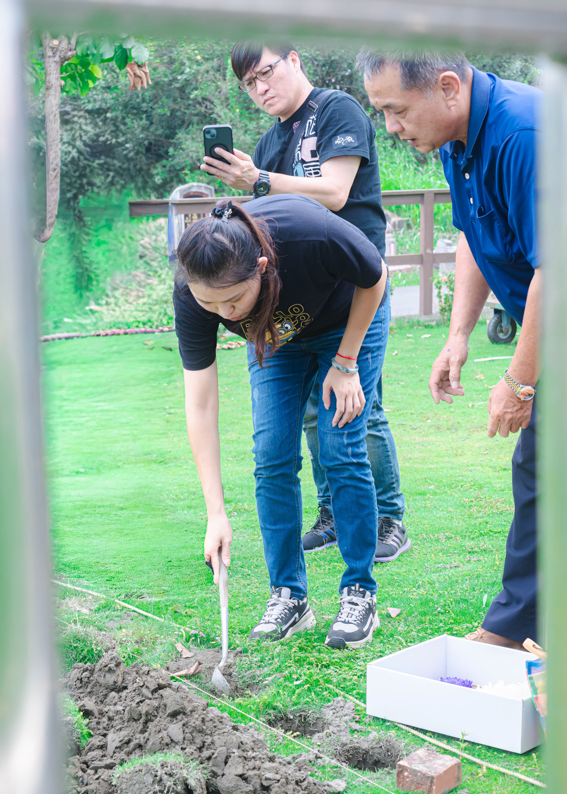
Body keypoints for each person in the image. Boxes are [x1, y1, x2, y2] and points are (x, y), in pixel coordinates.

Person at [199, 42, 410, 563]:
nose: (261, 88)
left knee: (361, 408)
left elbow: (336, 192)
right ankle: (334, 514)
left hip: (358, 284)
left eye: (266, 72)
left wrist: (260, 181)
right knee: (316, 414)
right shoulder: (270, 144)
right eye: (250, 84)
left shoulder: (338, 109)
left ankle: (388, 518)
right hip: (301, 296)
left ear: (294, 60)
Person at [360, 50, 541, 648]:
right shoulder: (458, 143)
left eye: (396, 110)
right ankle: (519, 629)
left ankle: (513, 632)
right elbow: (473, 232)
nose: (391, 127)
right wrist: (458, 335)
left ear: (446, 87)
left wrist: (519, 381)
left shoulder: (525, 135)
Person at [174, 194, 388, 649]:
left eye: (233, 299)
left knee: (340, 446)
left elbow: (375, 277)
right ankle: (289, 596)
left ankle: (359, 592)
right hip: (277, 337)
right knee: (271, 455)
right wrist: (215, 513)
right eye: (210, 305)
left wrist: (346, 361)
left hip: (348, 318)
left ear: (263, 266)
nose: (226, 314)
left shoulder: (308, 232)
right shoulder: (195, 293)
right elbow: (201, 404)